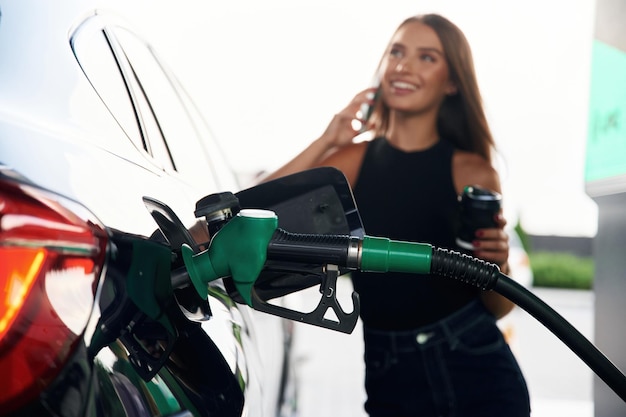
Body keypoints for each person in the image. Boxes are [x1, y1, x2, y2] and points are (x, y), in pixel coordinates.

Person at [262, 13, 530, 417]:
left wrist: (499, 264)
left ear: (452, 82)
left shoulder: (472, 172)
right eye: (397, 52)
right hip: (391, 374)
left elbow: (497, 306)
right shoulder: (353, 160)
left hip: (475, 365)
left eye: (427, 57)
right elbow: (256, 207)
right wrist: (327, 139)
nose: (404, 66)